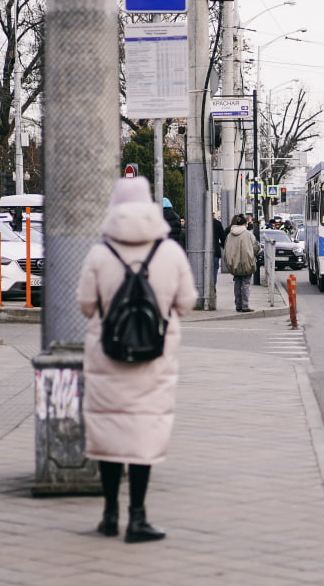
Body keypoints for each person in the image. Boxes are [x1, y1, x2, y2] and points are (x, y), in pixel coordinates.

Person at [77, 177, 196, 543]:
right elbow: (186, 303)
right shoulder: (170, 252)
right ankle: (139, 518)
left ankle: (110, 515)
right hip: (153, 359)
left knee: (111, 435)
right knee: (143, 434)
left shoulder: (100, 253)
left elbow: (86, 306)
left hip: (107, 357)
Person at [223, 213, 258, 312]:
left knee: (237, 283)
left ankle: (238, 305)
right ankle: (245, 306)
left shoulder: (230, 235)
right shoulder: (248, 235)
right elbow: (256, 247)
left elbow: (226, 248)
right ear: (244, 224)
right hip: (246, 263)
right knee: (246, 284)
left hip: (234, 264)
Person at [211, 214, 227, 280]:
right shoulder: (217, 223)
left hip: (201, 252)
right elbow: (223, 237)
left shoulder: (200, 223)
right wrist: (222, 245)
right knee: (214, 269)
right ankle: (213, 285)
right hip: (215, 250)